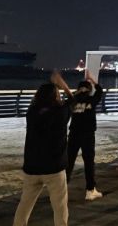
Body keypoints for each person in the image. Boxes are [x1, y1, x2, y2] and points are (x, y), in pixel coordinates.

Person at [14, 72, 74, 226]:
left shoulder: (32, 113)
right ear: (56, 97)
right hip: (54, 168)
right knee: (60, 207)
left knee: (25, 205)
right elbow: (72, 101)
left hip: (32, 167)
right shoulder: (60, 113)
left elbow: (37, 105)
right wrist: (64, 86)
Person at [66, 73, 103, 201]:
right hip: (88, 134)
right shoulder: (91, 100)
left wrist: (76, 93)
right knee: (89, 162)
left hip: (74, 133)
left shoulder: (73, 100)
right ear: (89, 89)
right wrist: (92, 80)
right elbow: (100, 91)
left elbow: (66, 100)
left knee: (69, 161)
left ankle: (61, 188)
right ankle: (90, 190)